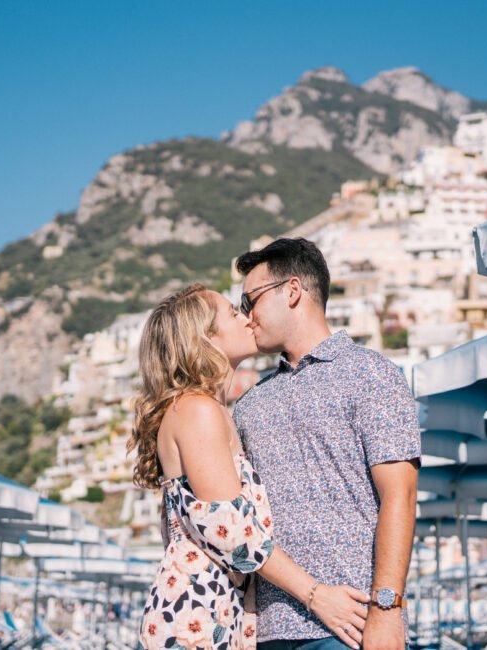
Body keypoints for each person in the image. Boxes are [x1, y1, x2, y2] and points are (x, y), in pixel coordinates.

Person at [132, 283, 371, 650]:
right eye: (232, 312)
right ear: (205, 340)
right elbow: (235, 534)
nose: (247, 318)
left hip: (218, 610)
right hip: (196, 613)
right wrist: (317, 596)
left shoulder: (212, 411)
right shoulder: (197, 411)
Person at [233, 238, 420, 650]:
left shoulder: (372, 375)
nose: (247, 317)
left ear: (293, 290)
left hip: (351, 626)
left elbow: (400, 496)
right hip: (268, 629)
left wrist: (387, 610)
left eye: (251, 301)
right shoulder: (248, 406)